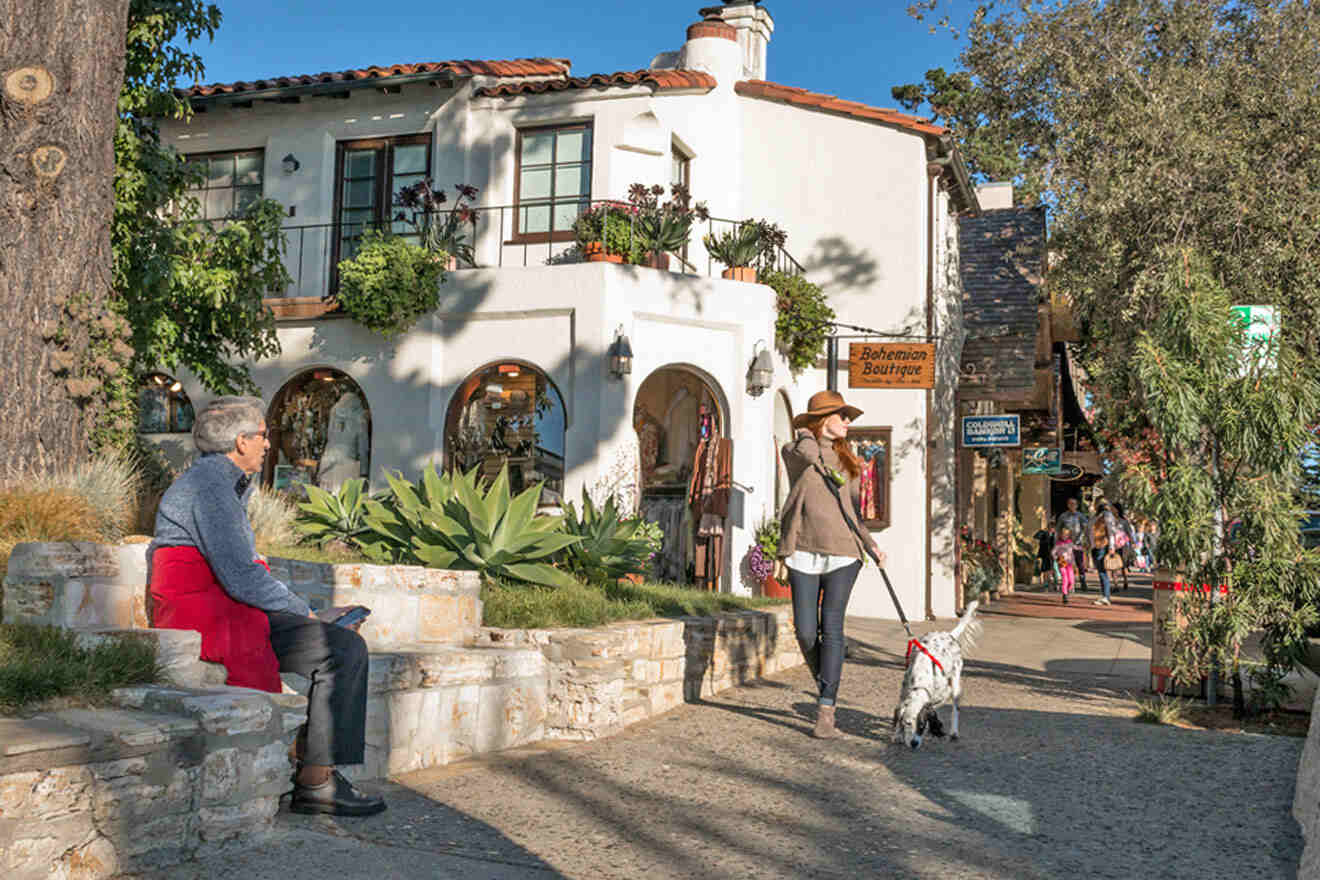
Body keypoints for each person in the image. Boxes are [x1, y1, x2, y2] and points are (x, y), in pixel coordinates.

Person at [148, 396, 385, 817]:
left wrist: (306, 614)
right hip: (210, 613)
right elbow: (241, 575)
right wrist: (306, 613)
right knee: (342, 651)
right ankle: (317, 781)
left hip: (226, 606)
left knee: (340, 646)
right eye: (262, 435)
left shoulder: (220, 484)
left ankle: (316, 774)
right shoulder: (211, 488)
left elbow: (238, 576)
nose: (268, 445)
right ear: (241, 441)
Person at [778, 390, 885, 739]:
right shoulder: (797, 451)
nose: (849, 422)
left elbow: (851, 513)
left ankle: (826, 710)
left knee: (832, 626)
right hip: (803, 549)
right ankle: (827, 679)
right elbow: (805, 451)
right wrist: (810, 430)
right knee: (806, 631)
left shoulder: (848, 463)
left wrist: (871, 546)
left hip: (843, 551)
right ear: (823, 420)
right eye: (842, 416)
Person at [1089, 501, 1120, 606]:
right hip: (1096, 546)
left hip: (1102, 545)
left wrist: (1111, 546)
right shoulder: (1096, 516)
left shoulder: (1106, 516)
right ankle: (1105, 595)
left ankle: (1106, 596)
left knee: (1102, 571)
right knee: (1101, 571)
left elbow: (1111, 532)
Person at [1056, 497, 1090, 591]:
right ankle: (1066, 582)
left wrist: (1084, 539)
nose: (1072, 506)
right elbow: (1058, 529)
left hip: (1077, 543)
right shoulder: (1063, 516)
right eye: (1070, 504)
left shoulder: (1080, 516)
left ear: (1077, 505)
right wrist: (1057, 543)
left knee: (1080, 563)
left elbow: (1086, 527)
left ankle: (1083, 581)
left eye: (1074, 504)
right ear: (1067, 505)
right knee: (1064, 563)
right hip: (1065, 545)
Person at [1052, 527, 1078, 604]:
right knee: (1065, 578)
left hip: (1069, 563)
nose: (1065, 536)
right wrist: (1056, 558)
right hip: (1062, 563)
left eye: (1066, 534)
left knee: (1071, 580)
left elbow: (1076, 548)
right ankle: (1064, 594)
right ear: (1060, 535)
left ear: (1069, 535)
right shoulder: (1058, 544)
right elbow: (1053, 552)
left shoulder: (1070, 543)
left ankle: (1068, 589)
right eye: (1063, 534)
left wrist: (1080, 548)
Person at [1034, 524, 1056, 589]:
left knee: (1051, 568)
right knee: (1045, 569)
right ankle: (1046, 583)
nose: (1052, 529)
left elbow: (1055, 544)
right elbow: (1036, 536)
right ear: (1048, 528)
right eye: (1050, 528)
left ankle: (1051, 582)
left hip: (1052, 554)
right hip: (1044, 554)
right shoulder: (1044, 533)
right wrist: (1042, 531)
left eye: (1053, 528)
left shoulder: (1054, 535)